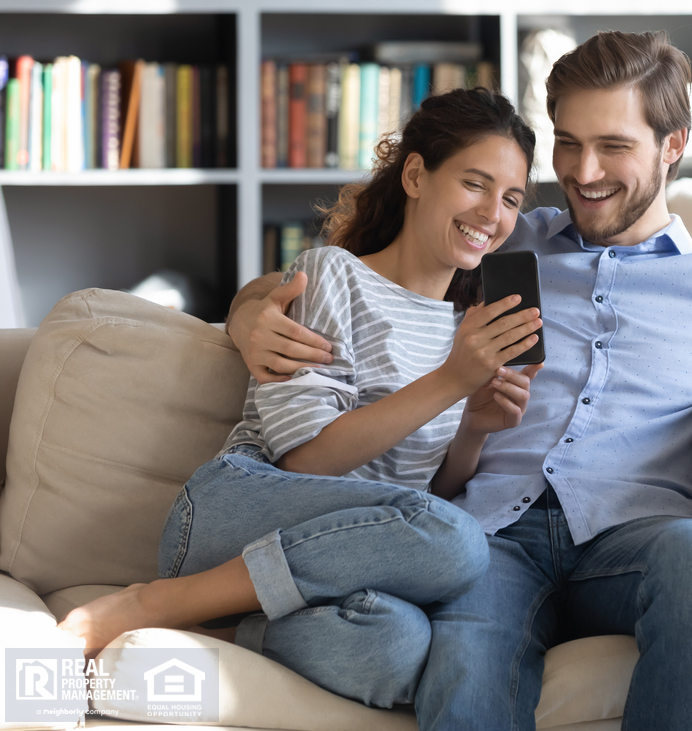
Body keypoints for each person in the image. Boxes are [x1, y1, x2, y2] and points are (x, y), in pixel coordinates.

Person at [226, 32, 692, 730]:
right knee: (470, 670)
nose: (583, 171)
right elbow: (339, 278)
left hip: (633, 541)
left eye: (613, 146)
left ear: (673, 147)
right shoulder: (511, 235)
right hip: (492, 536)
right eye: (569, 144)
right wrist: (249, 315)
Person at [56, 88, 546, 709]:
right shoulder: (330, 275)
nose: (492, 213)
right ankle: (151, 601)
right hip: (233, 512)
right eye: (475, 184)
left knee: (399, 647)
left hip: (338, 560)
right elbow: (307, 462)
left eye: (510, 198)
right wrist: (451, 382)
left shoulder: (463, 331)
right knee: (461, 542)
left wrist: (473, 427)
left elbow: (411, 503)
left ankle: (229, 625)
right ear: (417, 174)